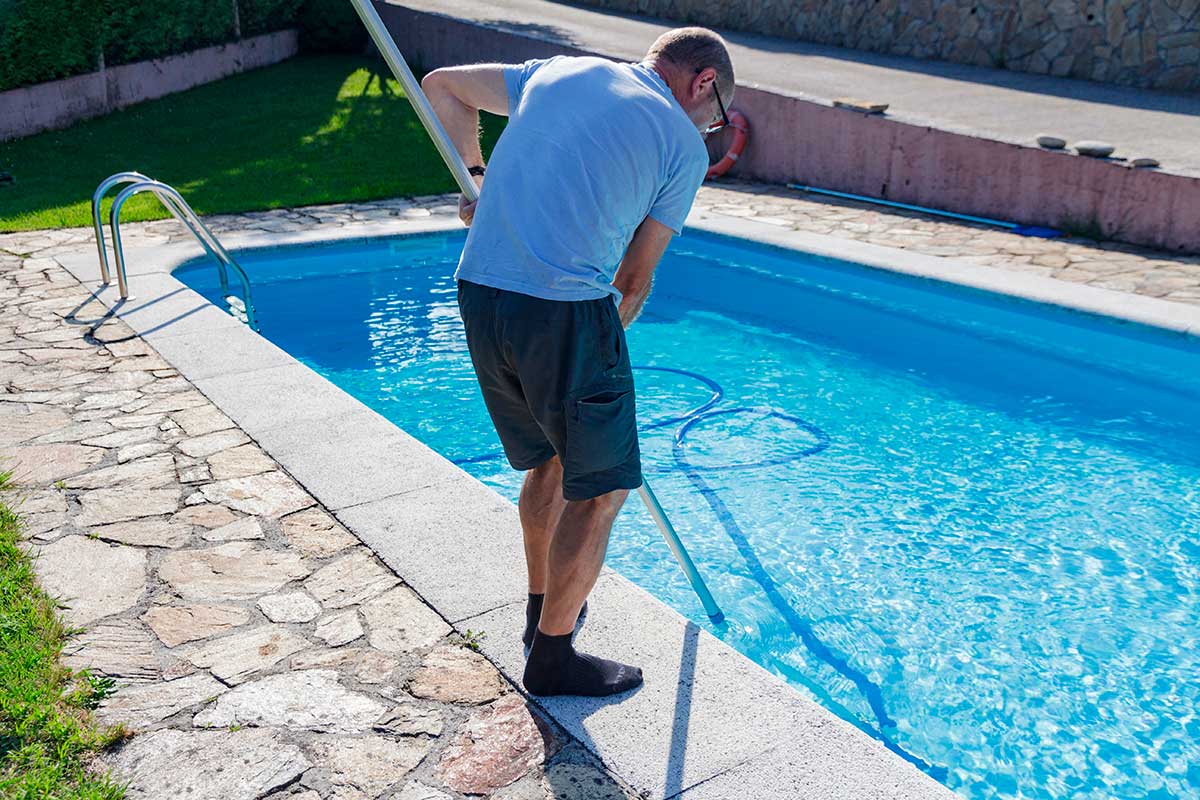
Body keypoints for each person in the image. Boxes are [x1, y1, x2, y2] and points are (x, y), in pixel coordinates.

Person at [422, 27, 735, 698]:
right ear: (703, 81)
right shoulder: (682, 144)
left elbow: (441, 86)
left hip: (479, 293)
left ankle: (541, 614)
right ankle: (555, 658)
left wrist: (475, 179)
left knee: (552, 463)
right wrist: (601, 352)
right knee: (601, 488)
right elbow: (634, 281)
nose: (709, 128)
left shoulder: (557, 72)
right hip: (562, 309)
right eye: (715, 115)